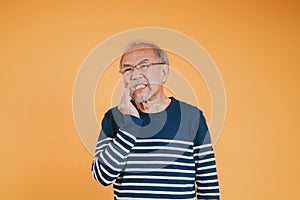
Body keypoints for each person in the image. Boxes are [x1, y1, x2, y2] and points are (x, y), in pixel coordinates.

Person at [91, 40, 220, 200]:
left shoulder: (192, 117)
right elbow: (102, 177)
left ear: (164, 73)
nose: (135, 75)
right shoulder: (113, 117)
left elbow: (208, 186)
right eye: (127, 69)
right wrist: (129, 127)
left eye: (144, 66)